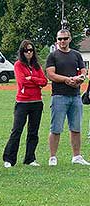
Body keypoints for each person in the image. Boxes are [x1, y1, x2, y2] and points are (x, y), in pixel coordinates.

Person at [45, 29, 89, 166]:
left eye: (65, 38)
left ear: (69, 39)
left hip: (75, 97)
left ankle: (77, 156)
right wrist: (66, 79)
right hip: (59, 96)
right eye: (59, 39)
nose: (62, 41)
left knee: (76, 128)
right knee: (56, 128)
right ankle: (53, 157)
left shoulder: (76, 55)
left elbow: (83, 70)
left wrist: (81, 78)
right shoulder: (53, 56)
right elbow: (50, 74)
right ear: (56, 40)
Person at [3, 40, 48, 168]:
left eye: (31, 50)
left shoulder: (37, 66)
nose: (29, 53)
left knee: (33, 132)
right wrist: (35, 81)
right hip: (22, 103)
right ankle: (9, 159)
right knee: (17, 130)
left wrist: (32, 78)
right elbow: (22, 82)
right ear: (22, 52)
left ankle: (30, 158)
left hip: (37, 103)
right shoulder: (18, 65)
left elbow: (44, 81)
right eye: (26, 50)